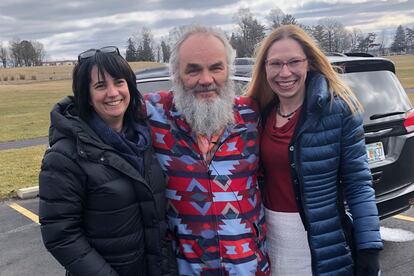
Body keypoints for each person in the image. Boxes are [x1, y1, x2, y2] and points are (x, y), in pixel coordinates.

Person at [246, 24, 383, 275]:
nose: (284, 72)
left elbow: (358, 183)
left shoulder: (338, 111)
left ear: (308, 63)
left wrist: (369, 248)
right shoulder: (258, 116)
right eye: (275, 64)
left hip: (320, 243)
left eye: (293, 62)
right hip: (268, 241)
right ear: (264, 68)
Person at [39, 46, 177, 276]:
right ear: (88, 96)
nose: (113, 93)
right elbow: (61, 235)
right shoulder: (65, 156)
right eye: (101, 86)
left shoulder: (146, 140)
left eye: (119, 82)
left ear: (129, 87)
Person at [144, 25, 270, 275]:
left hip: (249, 268)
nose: (206, 80)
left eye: (216, 68)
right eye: (193, 70)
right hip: (185, 269)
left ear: (228, 70)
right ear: (176, 74)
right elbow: (101, 106)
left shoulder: (252, 114)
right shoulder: (153, 114)